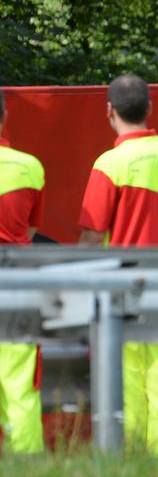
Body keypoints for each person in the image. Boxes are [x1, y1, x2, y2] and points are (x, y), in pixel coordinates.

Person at [77, 74, 158, 455]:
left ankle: (129, 458)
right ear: (150, 109)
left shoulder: (109, 164)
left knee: (126, 377)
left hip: (121, 293)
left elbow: (91, 239)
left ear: (109, 111)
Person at [0, 89, 45, 454]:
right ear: (4, 116)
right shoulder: (29, 167)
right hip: (15, 286)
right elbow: (29, 230)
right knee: (18, 382)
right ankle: (27, 461)